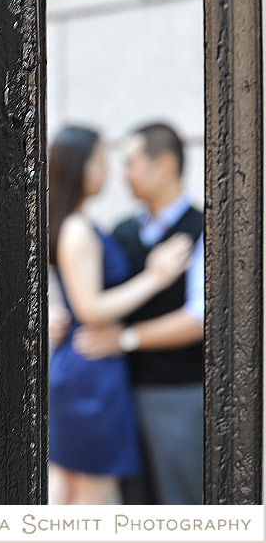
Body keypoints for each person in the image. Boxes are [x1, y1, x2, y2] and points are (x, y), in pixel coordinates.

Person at [47, 126, 193, 505]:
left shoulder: (85, 224)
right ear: (80, 167)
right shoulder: (80, 228)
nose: (111, 172)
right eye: (102, 161)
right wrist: (154, 277)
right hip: (91, 371)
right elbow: (90, 308)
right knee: (96, 498)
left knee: (69, 489)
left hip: (88, 367)